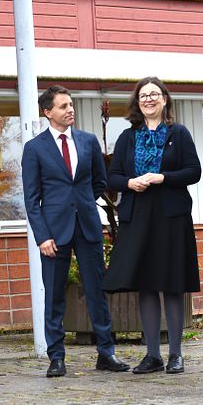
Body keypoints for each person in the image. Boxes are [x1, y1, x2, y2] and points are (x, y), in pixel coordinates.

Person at [22, 85, 130, 378]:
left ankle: (106, 352)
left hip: (87, 227)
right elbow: (31, 200)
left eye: (71, 104)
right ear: (48, 112)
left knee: (97, 292)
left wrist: (81, 202)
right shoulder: (34, 148)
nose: (70, 109)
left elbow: (99, 181)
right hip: (53, 233)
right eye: (63, 106)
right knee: (54, 295)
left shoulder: (88, 141)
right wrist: (42, 236)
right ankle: (56, 357)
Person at [102, 77, 202, 374]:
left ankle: (175, 354)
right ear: (137, 102)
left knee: (171, 283)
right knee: (145, 284)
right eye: (143, 95)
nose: (149, 99)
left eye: (154, 94)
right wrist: (130, 182)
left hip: (171, 216)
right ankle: (152, 356)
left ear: (165, 100)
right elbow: (112, 177)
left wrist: (163, 177)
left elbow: (194, 171)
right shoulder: (127, 137)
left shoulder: (179, 133)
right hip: (138, 215)